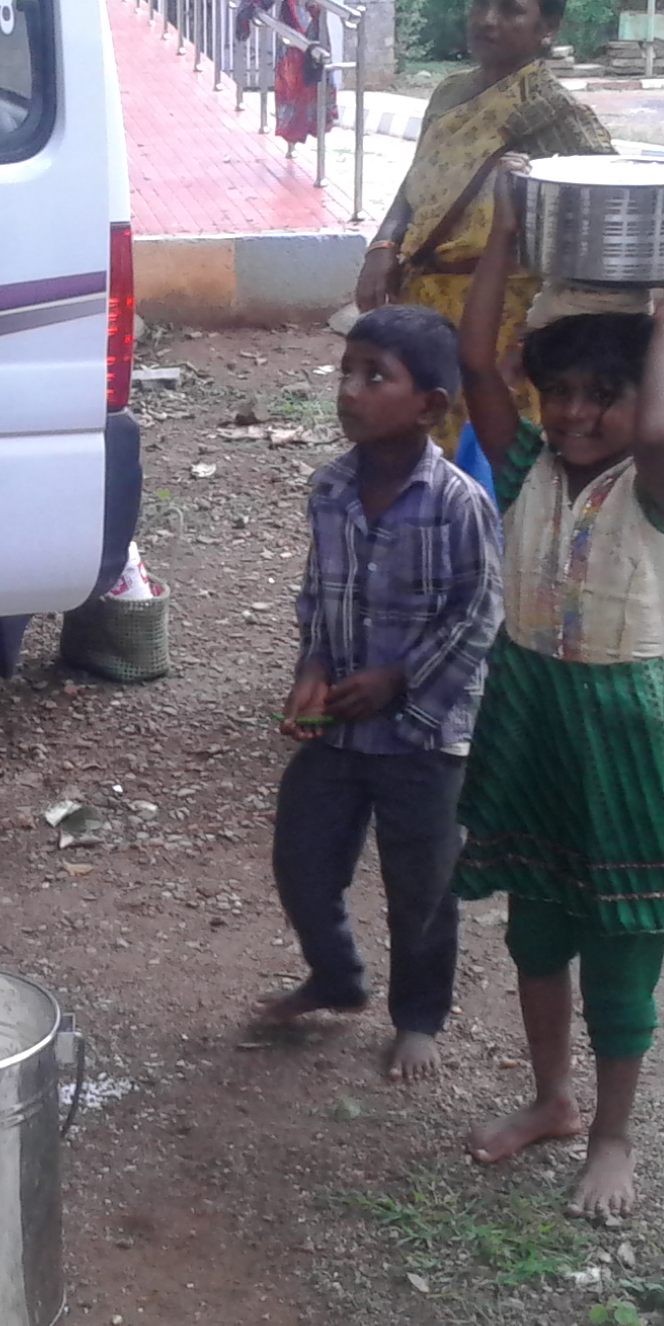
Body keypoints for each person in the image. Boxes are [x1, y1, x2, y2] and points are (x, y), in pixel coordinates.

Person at [449, 199, 664, 1223]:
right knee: (536, 933)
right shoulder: (526, 468)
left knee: (621, 943)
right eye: (561, 393)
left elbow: (658, 423)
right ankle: (552, 1100)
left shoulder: (661, 490)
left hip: (622, 730)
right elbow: (479, 365)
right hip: (534, 716)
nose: (573, 413)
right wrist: (501, 248)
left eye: (599, 397)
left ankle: (613, 1134)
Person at [262, 302, 502, 1084]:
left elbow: (480, 615)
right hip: (340, 726)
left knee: (420, 886)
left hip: (424, 736)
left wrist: (402, 680)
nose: (351, 391)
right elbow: (316, 594)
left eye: (375, 377)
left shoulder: (458, 502)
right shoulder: (329, 489)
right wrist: (310, 672)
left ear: (430, 406)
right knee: (301, 858)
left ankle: (419, 1016)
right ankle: (336, 976)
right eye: (347, 372)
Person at [354, 0, 624, 438]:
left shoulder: (555, 116)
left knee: (493, 469)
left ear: (549, 27)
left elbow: (605, 237)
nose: (487, 19)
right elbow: (418, 185)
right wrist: (383, 245)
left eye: (510, 8)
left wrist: (544, 338)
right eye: (481, 2)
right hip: (423, 313)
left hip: (503, 328)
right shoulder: (448, 94)